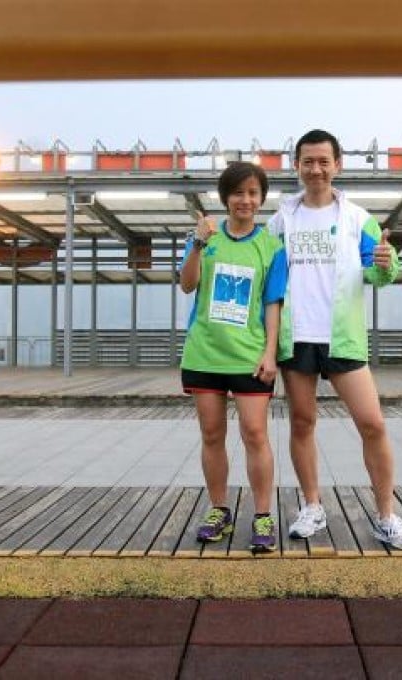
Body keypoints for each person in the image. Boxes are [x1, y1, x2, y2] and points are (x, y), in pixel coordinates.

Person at [266, 129, 402, 551]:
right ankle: (312, 506)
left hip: (343, 337)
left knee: (372, 424)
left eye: (323, 161)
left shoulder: (358, 218)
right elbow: (269, 279)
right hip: (297, 338)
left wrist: (387, 264)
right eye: (307, 161)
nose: (315, 169)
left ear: (337, 165)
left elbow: (379, 272)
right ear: (296, 166)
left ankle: (386, 516)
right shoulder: (281, 220)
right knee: (302, 423)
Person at [180, 161, 287, 553]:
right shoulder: (204, 238)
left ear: (262, 199)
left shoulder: (272, 247)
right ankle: (219, 510)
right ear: (225, 198)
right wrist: (197, 244)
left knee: (255, 434)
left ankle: (262, 515)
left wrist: (270, 353)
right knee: (212, 435)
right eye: (238, 192)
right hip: (204, 354)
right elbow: (187, 285)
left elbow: (273, 304)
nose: (246, 200)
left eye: (253, 193)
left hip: (249, 357)